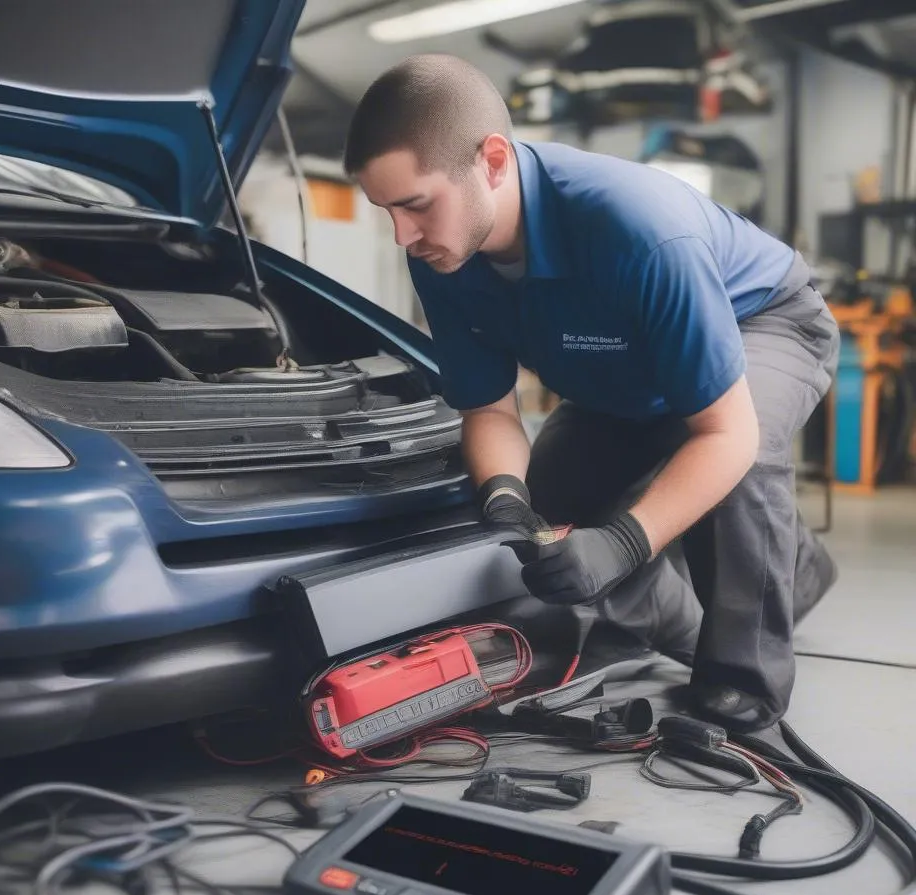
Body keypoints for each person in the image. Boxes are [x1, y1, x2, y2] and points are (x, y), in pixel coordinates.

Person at [343, 55, 840, 732]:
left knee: (736, 468)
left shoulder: (638, 230)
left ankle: (741, 679)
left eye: (416, 204)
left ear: (492, 160)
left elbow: (726, 434)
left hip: (763, 318)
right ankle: (740, 592)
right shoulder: (442, 253)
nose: (403, 235)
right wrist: (506, 496)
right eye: (386, 212)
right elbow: (490, 407)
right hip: (628, 374)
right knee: (551, 509)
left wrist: (624, 543)